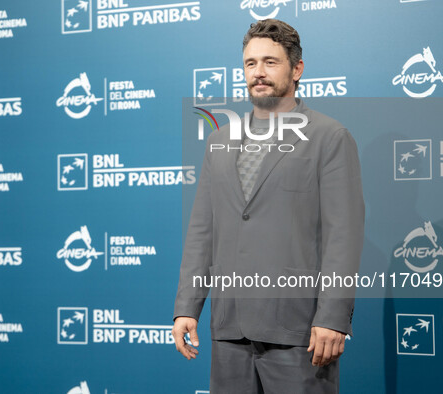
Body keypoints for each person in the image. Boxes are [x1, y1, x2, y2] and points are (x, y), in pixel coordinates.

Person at [172, 19, 364, 394]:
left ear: (296, 69)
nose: (258, 73)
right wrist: (186, 307)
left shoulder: (329, 137)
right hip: (229, 330)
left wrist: (333, 318)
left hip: (300, 331)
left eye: (270, 62)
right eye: (250, 63)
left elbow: (344, 236)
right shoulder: (220, 141)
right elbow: (202, 232)